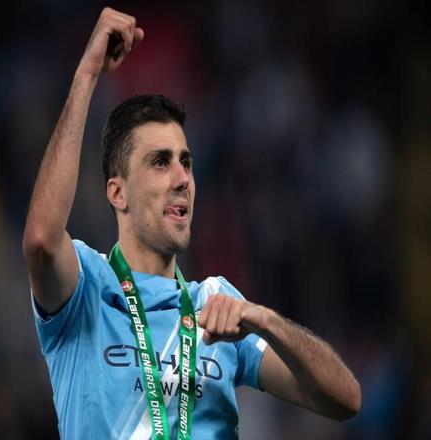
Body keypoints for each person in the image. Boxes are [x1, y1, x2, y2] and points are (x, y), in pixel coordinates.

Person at [22, 7, 361, 439]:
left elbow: (345, 400)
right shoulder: (87, 287)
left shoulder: (218, 304)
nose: (182, 178)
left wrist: (267, 322)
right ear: (117, 193)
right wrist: (87, 75)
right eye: (160, 162)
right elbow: (40, 242)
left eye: (186, 162)